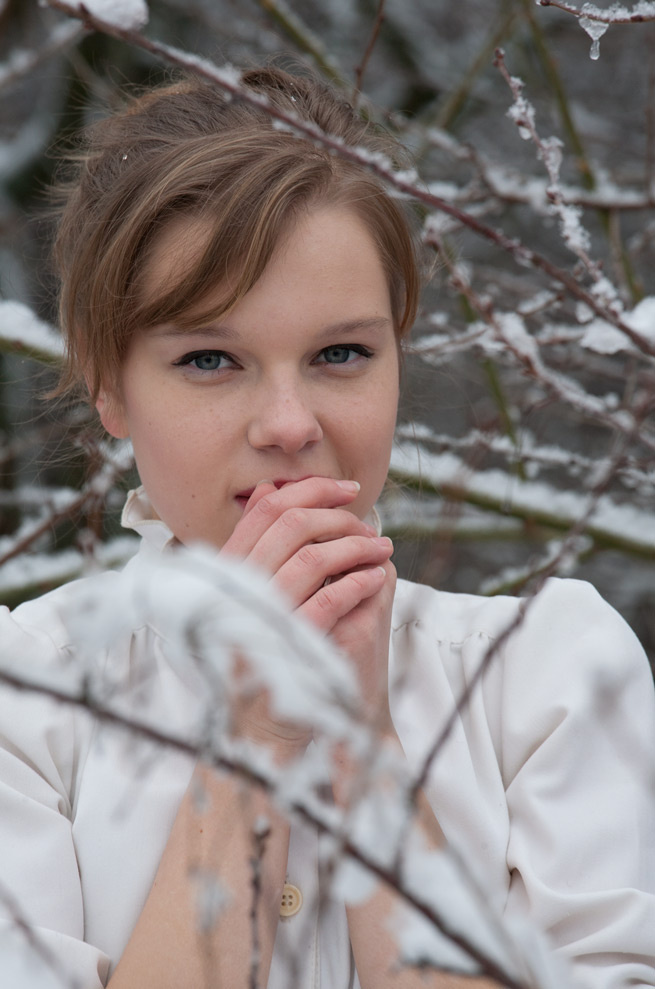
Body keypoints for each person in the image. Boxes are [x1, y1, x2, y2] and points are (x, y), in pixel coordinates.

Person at [0, 64, 654, 989]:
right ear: (109, 385)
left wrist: (361, 745)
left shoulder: (547, 680)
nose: (289, 424)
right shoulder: (28, 700)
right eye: (210, 359)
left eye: (340, 352)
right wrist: (252, 744)